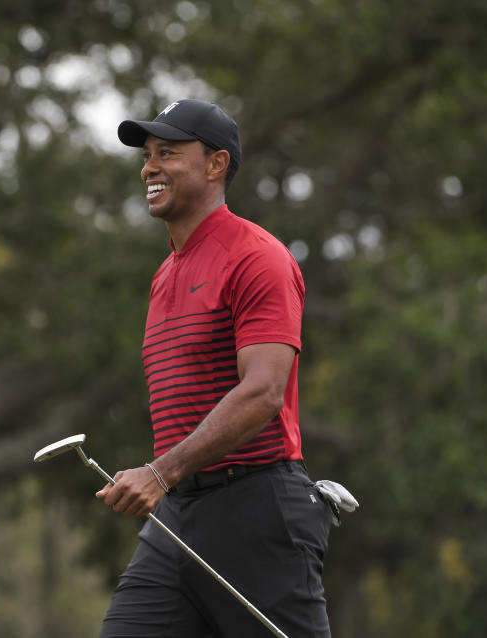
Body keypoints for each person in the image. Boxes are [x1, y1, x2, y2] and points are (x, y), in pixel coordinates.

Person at [96, 99, 332, 637]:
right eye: (148, 155)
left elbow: (264, 392)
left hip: (259, 511)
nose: (149, 167)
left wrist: (159, 472)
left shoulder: (258, 258)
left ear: (215, 164)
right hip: (180, 516)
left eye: (168, 153)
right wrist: (170, 480)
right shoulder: (164, 274)